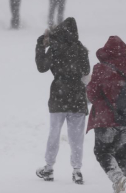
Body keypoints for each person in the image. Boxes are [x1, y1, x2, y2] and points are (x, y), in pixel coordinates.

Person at [86, 36, 126, 193]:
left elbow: (92, 95)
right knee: (122, 153)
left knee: (101, 152)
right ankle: (121, 185)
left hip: (107, 120)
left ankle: (118, 178)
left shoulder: (101, 68)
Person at [35, 17, 90, 185]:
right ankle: (77, 171)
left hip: (58, 96)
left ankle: (49, 168)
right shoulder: (80, 49)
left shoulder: (55, 48)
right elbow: (86, 70)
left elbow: (42, 67)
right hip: (77, 98)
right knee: (76, 137)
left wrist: (40, 46)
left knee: (54, 134)